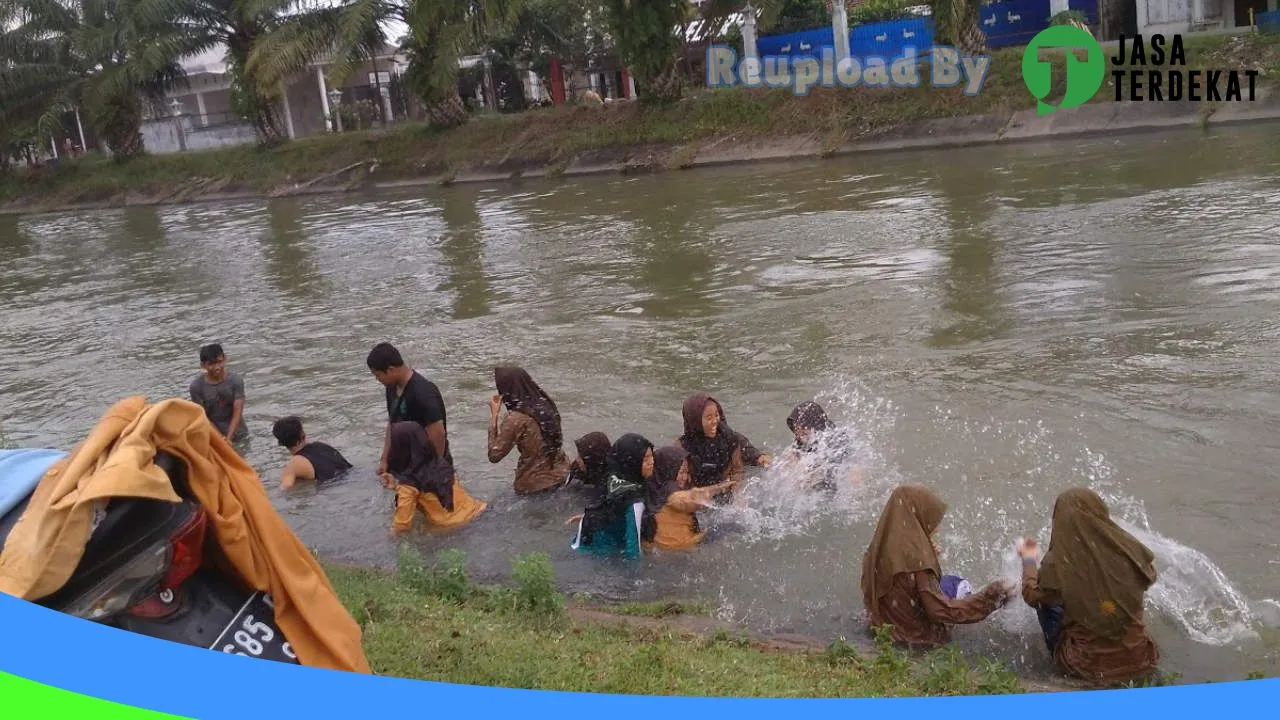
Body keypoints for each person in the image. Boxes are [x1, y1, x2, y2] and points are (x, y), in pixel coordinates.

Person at [1018, 488, 1160, 686]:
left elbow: (1030, 595)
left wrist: (1028, 560)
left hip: (1087, 667)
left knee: (1047, 603)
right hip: (1143, 659)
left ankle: (1061, 667)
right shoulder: (1128, 548)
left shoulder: (1058, 561)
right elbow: (1150, 577)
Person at [861, 485, 1013, 648]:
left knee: (946, 582)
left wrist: (927, 553)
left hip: (882, 628)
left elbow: (897, 583)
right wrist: (991, 597)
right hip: (915, 639)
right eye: (930, 519)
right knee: (958, 584)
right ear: (917, 517)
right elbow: (940, 612)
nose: (937, 527)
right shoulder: (917, 561)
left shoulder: (878, 549)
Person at [366, 343, 453, 482]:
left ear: (390, 369)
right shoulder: (391, 388)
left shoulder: (423, 392)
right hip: (407, 465)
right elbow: (391, 424)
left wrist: (432, 472)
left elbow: (438, 434)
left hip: (428, 466)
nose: (378, 380)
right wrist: (384, 459)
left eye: (378, 376)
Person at [380, 421, 486, 534]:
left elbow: (401, 527)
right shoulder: (441, 462)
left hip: (455, 529)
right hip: (480, 510)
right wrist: (397, 485)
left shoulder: (408, 486)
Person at [487, 365, 571, 494]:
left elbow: (494, 455)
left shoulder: (516, 419)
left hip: (534, 486)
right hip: (562, 474)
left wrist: (494, 416)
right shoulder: (546, 404)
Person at [569, 433, 653, 558]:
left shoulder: (611, 478)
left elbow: (606, 510)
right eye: (645, 459)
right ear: (633, 462)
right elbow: (633, 551)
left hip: (581, 542)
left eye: (652, 456)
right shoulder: (635, 500)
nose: (652, 462)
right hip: (597, 557)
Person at [641, 446, 737, 552]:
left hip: (663, 551)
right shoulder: (670, 489)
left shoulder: (652, 488)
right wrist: (719, 488)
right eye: (681, 472)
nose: (685, 477)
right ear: (670, 469)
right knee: (735, 527)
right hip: (684, 550)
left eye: (686, 472)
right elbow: (690, 499)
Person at [676, 392, 771, 499]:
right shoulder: (681, 447)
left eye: (717, 415)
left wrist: (738, 496)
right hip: (699, 491)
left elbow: (737, 471)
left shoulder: (730, 438)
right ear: (696, 421)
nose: (715, 421)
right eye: (709, 418)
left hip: (725, 485)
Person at [778, 400, 864, 492]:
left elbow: (853, 464)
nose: (799, 432)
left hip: (834, 485)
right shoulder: (800, 443)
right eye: (796, 427)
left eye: (803, 426)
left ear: (815, 424)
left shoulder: (837, 439)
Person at [271, 416, 353, 489]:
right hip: (353, 477)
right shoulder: (321, 445)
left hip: (336, 490)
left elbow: (285, 489)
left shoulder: (294, 465)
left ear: (280, 443)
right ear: (303, 434)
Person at [189, 343, 246, 442]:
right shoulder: (196, 387)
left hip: (240, 433)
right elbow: (203, 417)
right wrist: (220, 439)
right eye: (211, 364)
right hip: (214, 437)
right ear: (203, 366)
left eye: (219, 362)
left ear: (225, 359)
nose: (217, 367)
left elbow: (238, 411)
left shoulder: (236, 380)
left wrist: (229, 437)